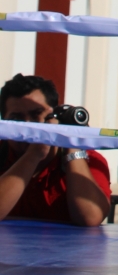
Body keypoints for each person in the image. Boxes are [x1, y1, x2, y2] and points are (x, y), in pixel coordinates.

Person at [0, 73, 110, 226]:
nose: (27, 125)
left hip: (68, 250)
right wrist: (34, 154)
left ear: (54, 118)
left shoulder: (90, 160)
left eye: (36, 115)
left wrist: (70, 143)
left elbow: (90, 217)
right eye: (16, 119)